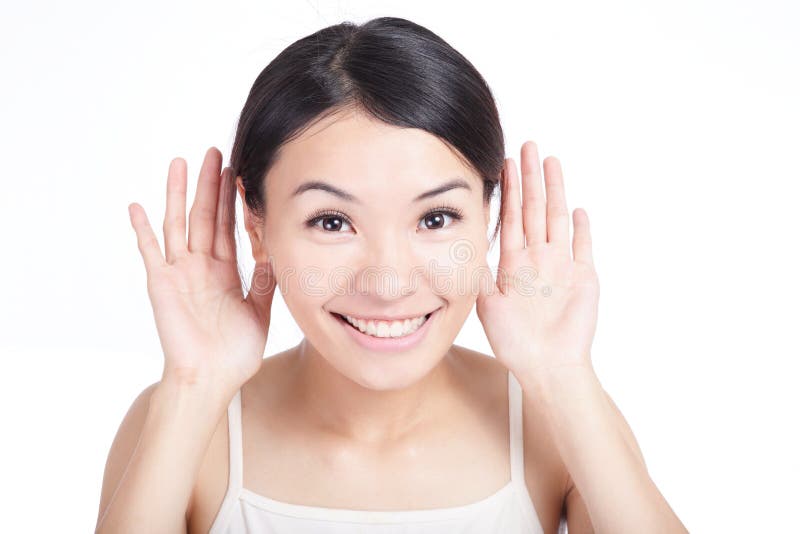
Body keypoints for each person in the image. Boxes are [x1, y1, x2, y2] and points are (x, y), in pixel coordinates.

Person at [95, 16, 688, 534]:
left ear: (490, 218)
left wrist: (562, 378)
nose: (388, 282)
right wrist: (195, 384)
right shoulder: (185, 425)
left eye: (435, 217)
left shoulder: (559, 420)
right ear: (257, 228)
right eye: (331, 221)